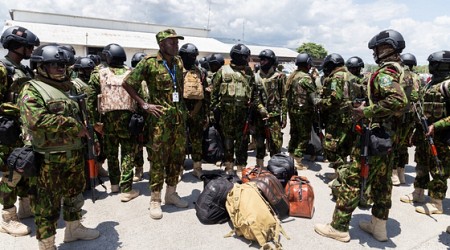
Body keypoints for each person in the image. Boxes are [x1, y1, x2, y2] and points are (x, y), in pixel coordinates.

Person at [314, 29, 408, 242]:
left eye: (376, 49)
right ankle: (379, 227)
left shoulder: (385, 73)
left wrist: (365, 111)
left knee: (353, 179)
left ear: (387, 48)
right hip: (391, 138)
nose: (374, 53)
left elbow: (397, 101)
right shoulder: (404, 72)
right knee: (383, 182)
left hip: (374, 136)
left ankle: (338, 227)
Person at [18, 44, 100, 249]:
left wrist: (93, 139)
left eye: (63, 64)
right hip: (48, 159)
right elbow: (35, 120)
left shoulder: (70, 87)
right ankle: (47, 244)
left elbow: (83, 117)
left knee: (74, 194)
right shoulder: (32, 89)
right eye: (54, 64)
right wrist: (72, 126)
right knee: (47, 205)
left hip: (74, 152)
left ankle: (74, 229)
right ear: (41, 66)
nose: (60, 68)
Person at [122, 28, 189, 220]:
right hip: (160, 122)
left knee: (177, 158)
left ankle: (171, 193)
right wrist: (144, 104)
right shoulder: (149, 63)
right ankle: (155, 199)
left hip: (178, 120)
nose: (176, 45)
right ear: (161, 44)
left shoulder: (178, 62)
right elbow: (127, 83)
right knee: (158, 160)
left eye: (177, 42)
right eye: (172, 42)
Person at [0, 25, 40, 237]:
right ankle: (8, 216)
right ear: (17, 46)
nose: (31, 51)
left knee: (25, 168)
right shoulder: (2, 68)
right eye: (28, 47)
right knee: (10, 174)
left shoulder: (24, 69)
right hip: (8, 131)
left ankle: (25, 207)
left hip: (23, 130)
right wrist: (21, 108)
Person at [400, 50, 450, 215]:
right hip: (423, 134)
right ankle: (418, 193)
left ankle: (436, 203)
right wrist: (414, 132)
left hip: (441, 137)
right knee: (421, 164)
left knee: (438, 169)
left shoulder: (447, 85)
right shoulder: (429, 83)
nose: (430, 66)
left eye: (433, 63)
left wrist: (438, 125)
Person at [88, 43, 139, 202]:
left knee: (111, 153)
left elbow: (90, 100)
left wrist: (94, 122)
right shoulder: (132, 73)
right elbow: (142, 96)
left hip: (107, 121)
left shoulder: (99, 74)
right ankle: (126, 189)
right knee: (127, 154)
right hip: (128, 121)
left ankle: (114, 185)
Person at [210, 43, 267, 177]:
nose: (247, 60)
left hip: (243, 114)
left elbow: (254, 95)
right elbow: (214, 94)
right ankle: (229, 166)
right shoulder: (223, 71)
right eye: (245, 57)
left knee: (242, 142)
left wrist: (261, 109)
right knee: (228, 141)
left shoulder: (249, 72)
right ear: (237, 56)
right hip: (226, 114)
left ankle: (241, 167)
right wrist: (214, 112)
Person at [317, 53, 357, 173]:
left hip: (337, 117)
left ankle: (339, 173)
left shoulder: (336, 78)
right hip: (350, 116)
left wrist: (320, 102)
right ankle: (341, 173)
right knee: (345, 145)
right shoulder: (350, 76)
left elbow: (334, 99)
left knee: (330, 145)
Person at [390, 53, 421, 186]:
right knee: (403, 144)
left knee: (394, 144)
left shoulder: (401, 75)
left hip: (397, 115)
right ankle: (401, 172)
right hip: (410, 116)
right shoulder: (417, 77)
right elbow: (417, 96)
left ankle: (394, 173)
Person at [179, 43, 208, 178]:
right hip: (180, 110)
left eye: (193, 56)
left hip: (198, 111)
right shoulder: (175, 70)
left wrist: (207, 114)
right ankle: (178, 168)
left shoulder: (201, 72)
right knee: (180, 141)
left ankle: (197, 167)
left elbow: (206, 94)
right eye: (189, 56)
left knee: (197, 140)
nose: (191, 58)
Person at [253, 49, 287, 167]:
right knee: (259, 143)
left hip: (275, 116)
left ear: (271, 61)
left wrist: (284, 116)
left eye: (265, 59)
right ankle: (259, 167)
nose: (262, 62)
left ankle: (275, 167)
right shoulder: (255, 77)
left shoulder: (280, 77)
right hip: (259, 116)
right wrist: (261, 109)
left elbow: (283, 97)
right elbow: (254, 96)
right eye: (261, 59)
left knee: (275, 143)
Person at [286, 53, 317, 170]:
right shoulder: (306, 78)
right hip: (303, 112)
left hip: (293, 111)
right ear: (308, 64)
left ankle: (291, 157)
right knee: (304, 136)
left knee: (294, 134)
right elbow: (315, 99)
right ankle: (298, 161)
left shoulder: (293, 77)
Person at [130, 52, 148, 182]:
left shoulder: (152, 79)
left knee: (153, 145)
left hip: (151, 116)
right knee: (137, 146)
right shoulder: (133, 79)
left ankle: (153, 168)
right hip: (137, 116)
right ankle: (139, 169)